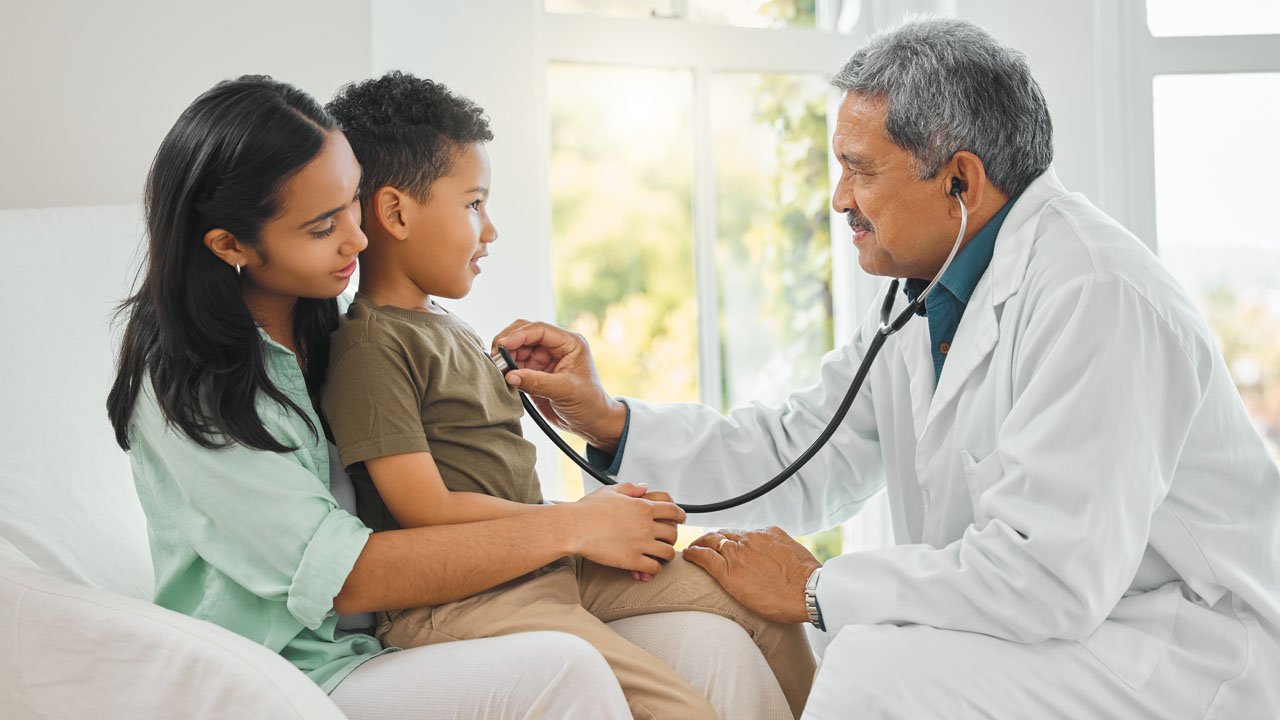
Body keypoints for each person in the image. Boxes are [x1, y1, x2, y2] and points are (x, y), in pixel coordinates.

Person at [492, 17, 1280, 718]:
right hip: (1081, 625)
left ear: (960, 181)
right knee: (869, 655)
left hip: (1183, 649)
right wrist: (610, 422)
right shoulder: (925, 293)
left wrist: (814, 588)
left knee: (873, 664)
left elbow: (1049, 577)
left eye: (860, 169)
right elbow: (800, 451)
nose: (839, 199)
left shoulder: (1096, 296)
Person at [104, 75, 754, 720]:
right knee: (564, 672)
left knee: (717, 635)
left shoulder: (331, 328)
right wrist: (574, 527)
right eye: (323, 225)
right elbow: (349, 575)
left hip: (377, 639)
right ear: (230, 245)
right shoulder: (185, 396)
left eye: (352, 201)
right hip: (291, 679)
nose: (359, 239)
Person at [319, 71, 814, 720]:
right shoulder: (370, 345)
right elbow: (425, 509)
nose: (490, 230)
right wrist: (580, 525)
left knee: (761, 605)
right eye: (473, 205)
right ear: (394, 213)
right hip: (462, 599)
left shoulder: (445, 324)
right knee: (681, 708)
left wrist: (599, 524)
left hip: (542, 565)